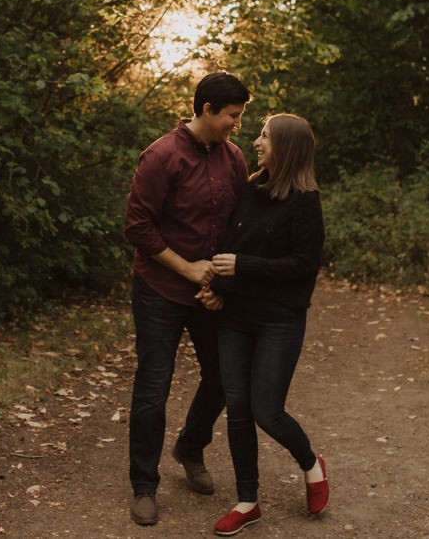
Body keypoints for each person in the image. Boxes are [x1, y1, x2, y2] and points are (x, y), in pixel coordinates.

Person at [123, 71, 252, 527]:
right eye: (233, 116)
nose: (238, 124)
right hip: (160, 288)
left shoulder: (234, 158)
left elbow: (240, 222)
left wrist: (219, 281)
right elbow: (137, 228)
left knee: (224, 377)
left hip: (210, 292)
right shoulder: (161, 157)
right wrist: (186, 268)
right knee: (153, 388)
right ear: (206, 110)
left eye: (241, 116)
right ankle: (144, 486)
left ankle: (190, 446)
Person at [197, 113, 329, 536]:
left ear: (287, 147)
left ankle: (310, 462)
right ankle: (247, 500)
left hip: (279, 320)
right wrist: (218, 286)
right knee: (237, 409)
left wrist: (242, 267)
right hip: (235, 318)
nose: (255, 141)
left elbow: (303, 266)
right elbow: (229, 248)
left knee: (266, 411)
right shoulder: (250, 188)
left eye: (265, 137)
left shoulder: (305, 201)